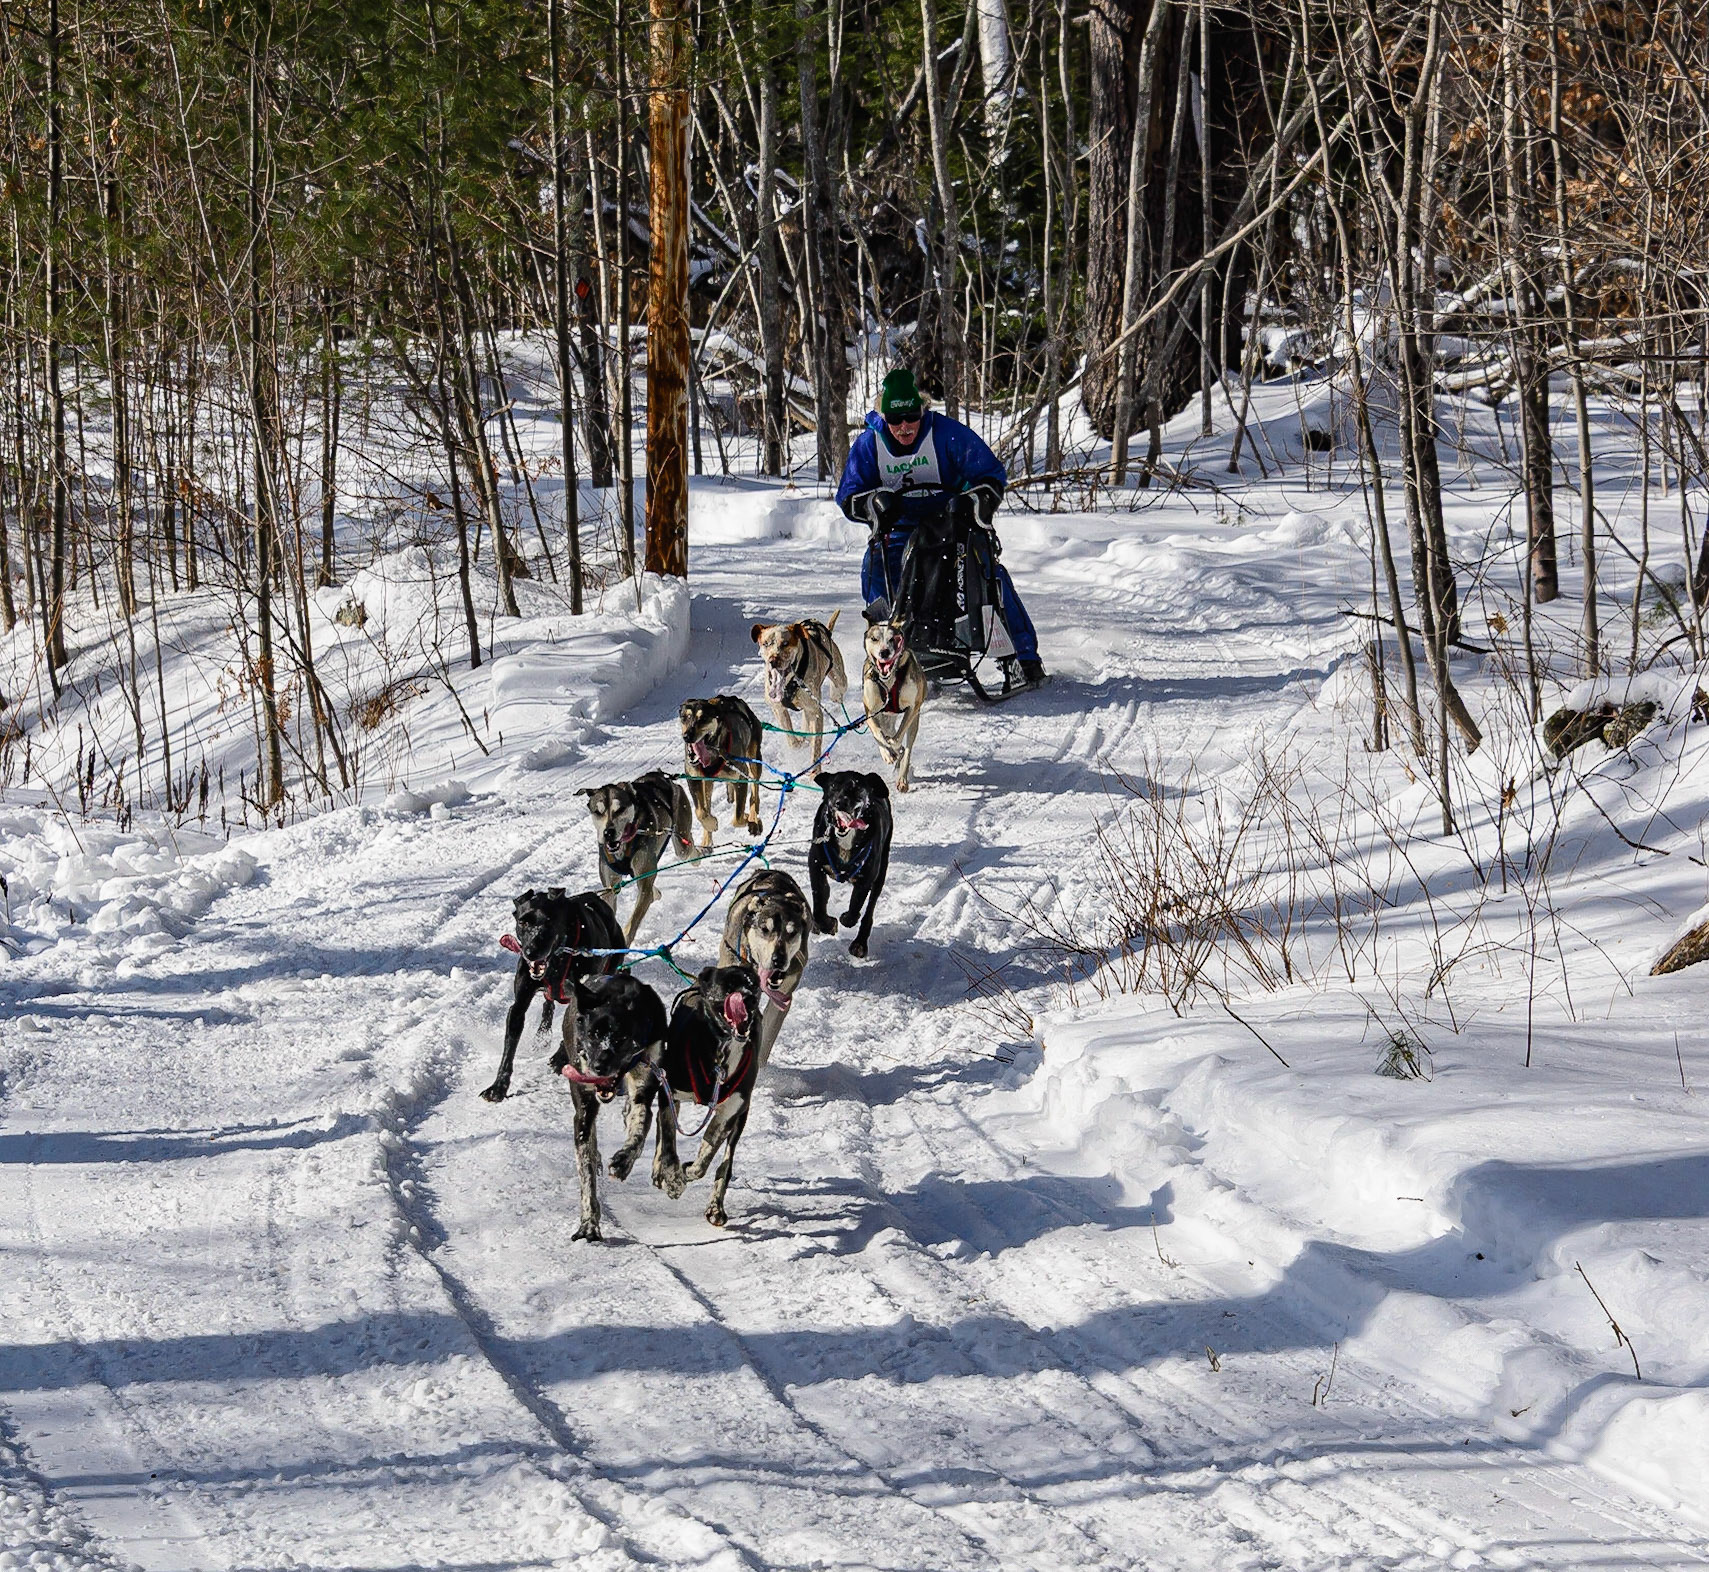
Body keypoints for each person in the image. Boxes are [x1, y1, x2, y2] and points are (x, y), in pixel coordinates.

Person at [835, 368, 1046, 687]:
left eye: (910, 417)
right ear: (884, 418)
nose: (904, 427)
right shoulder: (869, 445)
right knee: (875, 571)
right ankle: (886, 656)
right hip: (899, 528)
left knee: (990, 575)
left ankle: (1023, 657)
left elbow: (991, 478)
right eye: (895, 420)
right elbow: (848, 495)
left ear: (921, 410)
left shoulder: (947, 434)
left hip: (953, 526)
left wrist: (971, 503)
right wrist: (875, 504)